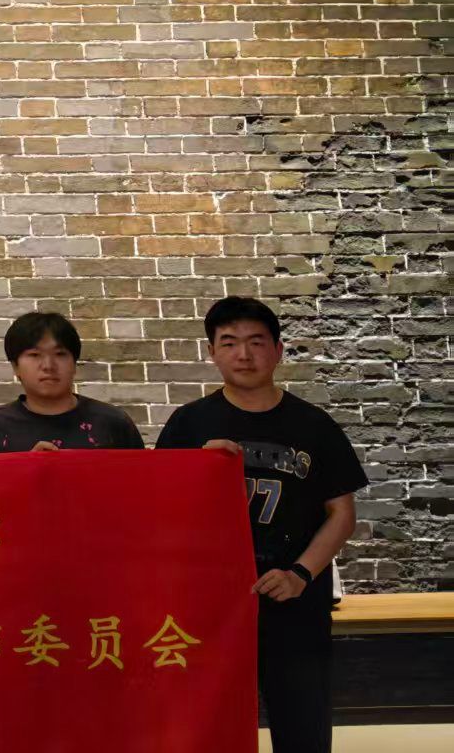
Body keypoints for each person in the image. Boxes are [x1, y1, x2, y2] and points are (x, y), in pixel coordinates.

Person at [156, 297, 365, 753]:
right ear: (212, 352)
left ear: (278, 350)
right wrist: (195, 468)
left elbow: (342, 514)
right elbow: (159, 509)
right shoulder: (188, 424)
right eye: (229, 343)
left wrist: (301, 574)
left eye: (256, 342)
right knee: (210, 729)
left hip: (294, 604)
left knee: (303, 730)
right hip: (211, 607)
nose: (244, 354)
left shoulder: (314, 425)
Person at [0, 310, 144, 453]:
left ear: (74, 364)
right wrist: (25, 469)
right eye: (34, 355)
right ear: (16, 367)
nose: (48, 365)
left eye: (60, 354)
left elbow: (143, 482)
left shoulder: (113, 423)